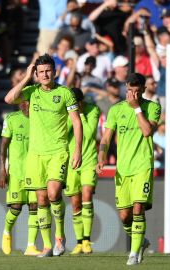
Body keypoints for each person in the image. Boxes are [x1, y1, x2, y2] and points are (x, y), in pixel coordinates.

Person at [4, 54, 83, 257]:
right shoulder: (31, 92)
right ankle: (47, 246)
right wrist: (26, 77)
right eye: (41, 72)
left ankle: (60, 236)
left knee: (54, 193)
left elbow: (76, 122)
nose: (45, 74)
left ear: (54, 72)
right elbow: (9, 98)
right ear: (36, 74)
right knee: (41, 199)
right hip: (35, 155)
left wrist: (77, 150)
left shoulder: (65, 93)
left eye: (48, 71)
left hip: (57, 152)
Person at [96, 73, 161, 265]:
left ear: (143, 89)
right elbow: (106, 138)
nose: (131, 94)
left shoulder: (153, 107)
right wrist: (101, 156)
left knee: (138, 207)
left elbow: (148, 131)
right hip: (122, 168)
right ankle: (140, 241)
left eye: (135, 90)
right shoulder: (116, 110)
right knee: (125, 215)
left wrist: (136, 109)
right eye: (129, 90)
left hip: (142, 166)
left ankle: (133, 254)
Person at [0, 100, 40, 256]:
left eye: (29, 102)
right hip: (16, 171)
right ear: (19, 104)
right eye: (23, 103)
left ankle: (30, 246)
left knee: (34, 206)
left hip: (35, 171)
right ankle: (6, 232)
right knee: (16, 208)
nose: (27, 106)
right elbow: (3, 146)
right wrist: (2, 169)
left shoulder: (39, 119)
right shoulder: (11, 119)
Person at [65, 88, 100, 255]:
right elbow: (63, 133)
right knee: (75, 203)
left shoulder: (93, 110)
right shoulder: (66, 112)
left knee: (87, 194)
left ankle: (87, 239)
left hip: (88, 160)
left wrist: (79, 116)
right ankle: (79, 242)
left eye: (77, 104)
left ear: (81, 102)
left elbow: (89, 133)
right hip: (72, 162)